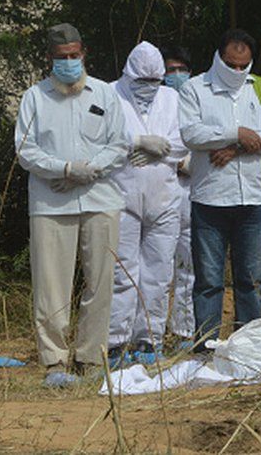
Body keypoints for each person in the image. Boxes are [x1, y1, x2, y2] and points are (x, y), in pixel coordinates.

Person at [15, 23, 129, 388]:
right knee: (51, 285)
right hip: (51, 202)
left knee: (100, 283)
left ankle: (92, 357)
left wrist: (88, 171)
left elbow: (120, 144)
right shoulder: (34, 97)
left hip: (101, 198)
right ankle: (54, 361)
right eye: (62, 58)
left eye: (74, 56)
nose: (69, 63)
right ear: (50, 59)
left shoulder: (106, 93)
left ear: (84, 54)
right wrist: (62, 169)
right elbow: (25, 149)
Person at [179, 29, 261, 346]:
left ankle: (248, 345)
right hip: (210, 199)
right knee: (208, 279)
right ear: (218, 57)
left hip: (253, 200)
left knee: (252, 279)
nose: (236, 71)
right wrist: (237, 131)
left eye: (242, 65)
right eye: (230, 64)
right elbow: (192, 134)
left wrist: (235, 147)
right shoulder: (194, 89)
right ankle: (206, 344)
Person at [107, 41, 188, 366]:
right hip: (121, 195)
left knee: (158, 272)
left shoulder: (172, 98)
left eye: (155, 81)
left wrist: (160, 150)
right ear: (128, 75)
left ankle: (148, 339)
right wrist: (135, 143)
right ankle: (115, 341)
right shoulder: (110, 95)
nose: (149, 88)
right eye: (142, 82)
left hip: (165, 198)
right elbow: (101, 137)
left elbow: (186, 141)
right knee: (122, 271)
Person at [161, 45, 195, 347]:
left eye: (180, 70)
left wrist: (191, 164)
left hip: (194, 191)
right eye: (170, 71)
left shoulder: (197, 99)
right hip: (163, 191)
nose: (176, 76)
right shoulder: (157, 104)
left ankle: (184, 329)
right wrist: (179, 162)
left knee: (190, 266)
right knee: (159, 267)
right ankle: (152, 331)